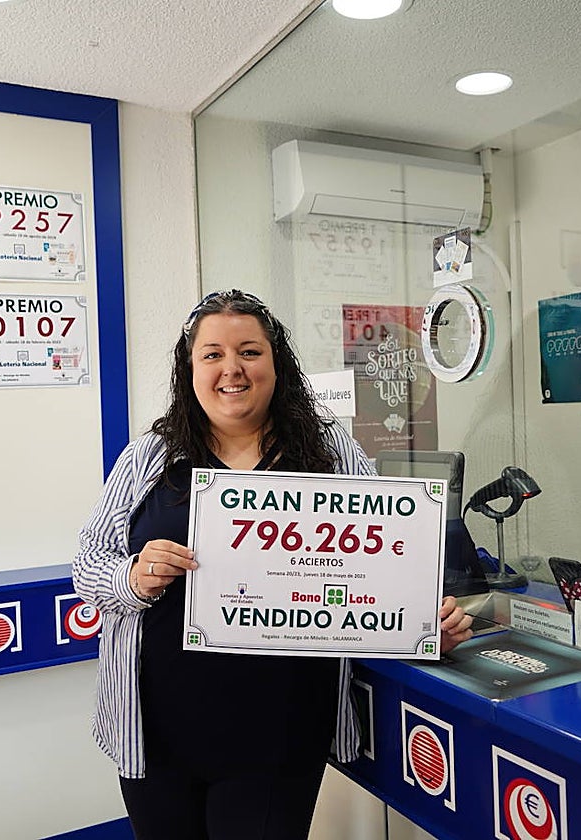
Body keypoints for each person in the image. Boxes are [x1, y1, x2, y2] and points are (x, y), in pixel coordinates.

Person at [73, 289, 474, 840]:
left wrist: (424, 627)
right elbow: (87, 562)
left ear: (275, 362)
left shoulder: (329, 452)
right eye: (211, 354)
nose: (231, 369)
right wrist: (131, 577)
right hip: (157, 736)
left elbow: (379, 568)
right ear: (189, 370)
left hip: (278, 738)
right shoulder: (151, 454)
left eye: (250, 352)